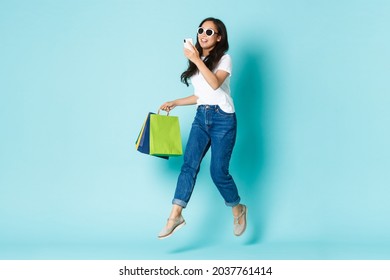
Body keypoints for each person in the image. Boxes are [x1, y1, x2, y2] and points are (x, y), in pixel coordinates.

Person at [158, 17, 247, 239]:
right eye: (201, 30)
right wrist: (176, 102)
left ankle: (237, 207)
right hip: (202, 116)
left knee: (218, 172)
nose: (203, 35)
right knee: (189, 165)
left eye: (209, 32)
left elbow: (215, 84)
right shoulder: (200, 61)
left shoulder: (225, 59)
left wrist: (197, 60)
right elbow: (202, 95)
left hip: (223, 119)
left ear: (219, 37)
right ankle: (175, 215)